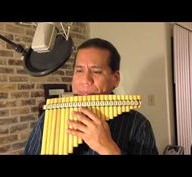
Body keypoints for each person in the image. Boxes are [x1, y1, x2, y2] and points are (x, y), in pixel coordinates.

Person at [24, 38, 159, 155]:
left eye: (96, 71)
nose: (85, 80)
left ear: (115, 79)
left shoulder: (138, 125)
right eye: (79, 70)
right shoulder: (49, 118)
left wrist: (109, 149)